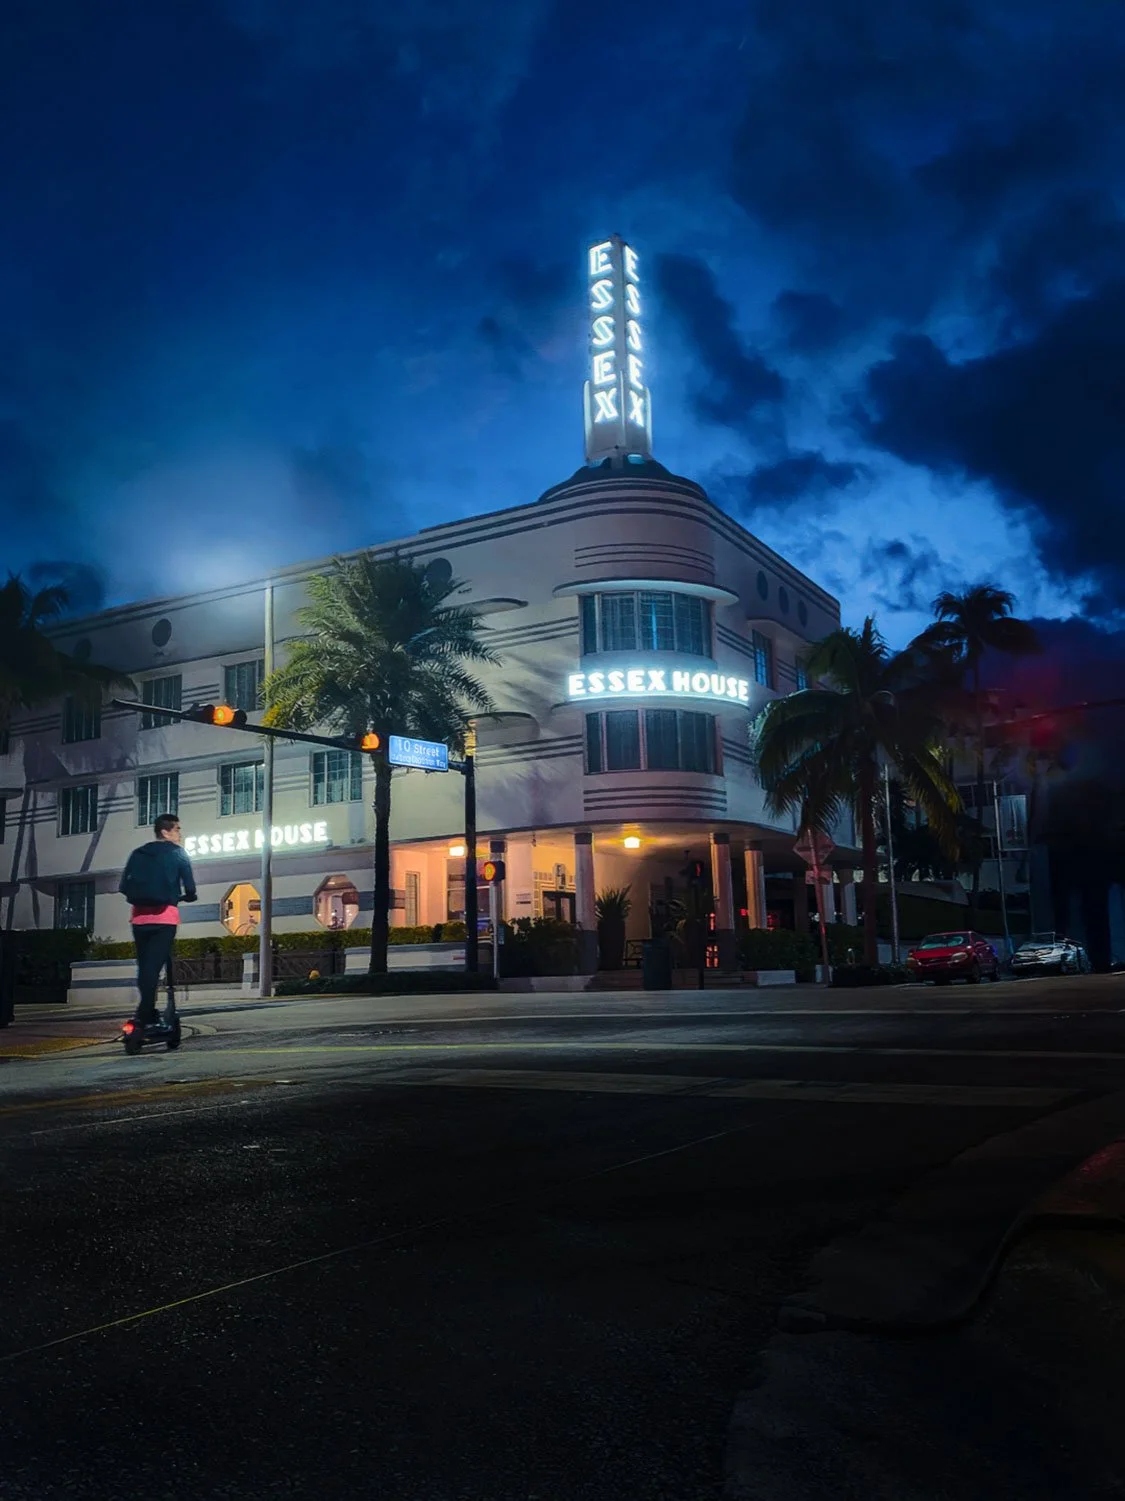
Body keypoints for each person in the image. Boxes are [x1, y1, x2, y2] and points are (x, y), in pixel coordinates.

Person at [119, 813, 197, 1027]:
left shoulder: (137, 853)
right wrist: (187, 896)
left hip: (139, 918)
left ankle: (146, 1010)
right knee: (155, 966)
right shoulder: (178, 854)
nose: (180, 834)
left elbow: (124, 886)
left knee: (144, 966)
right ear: (165, 831)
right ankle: (145, 1012)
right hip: (164, 918)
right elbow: (190, 887)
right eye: (177, 829)